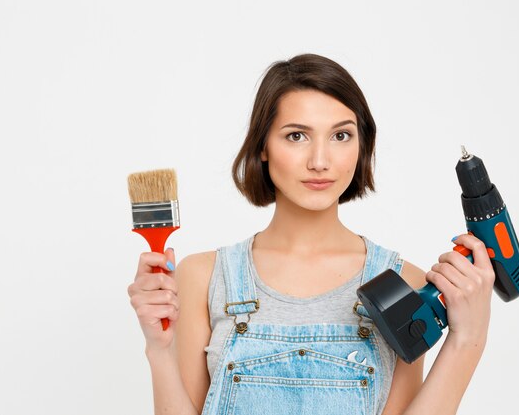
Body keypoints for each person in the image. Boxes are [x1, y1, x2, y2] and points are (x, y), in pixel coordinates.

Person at [127, 53, 495, 415]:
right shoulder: (204, 277)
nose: (320, 160)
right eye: (297, 135)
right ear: (263, 147)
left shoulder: (399, 282)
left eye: (340, 135)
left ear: (361, 146)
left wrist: (467, 340)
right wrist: (158, 350)